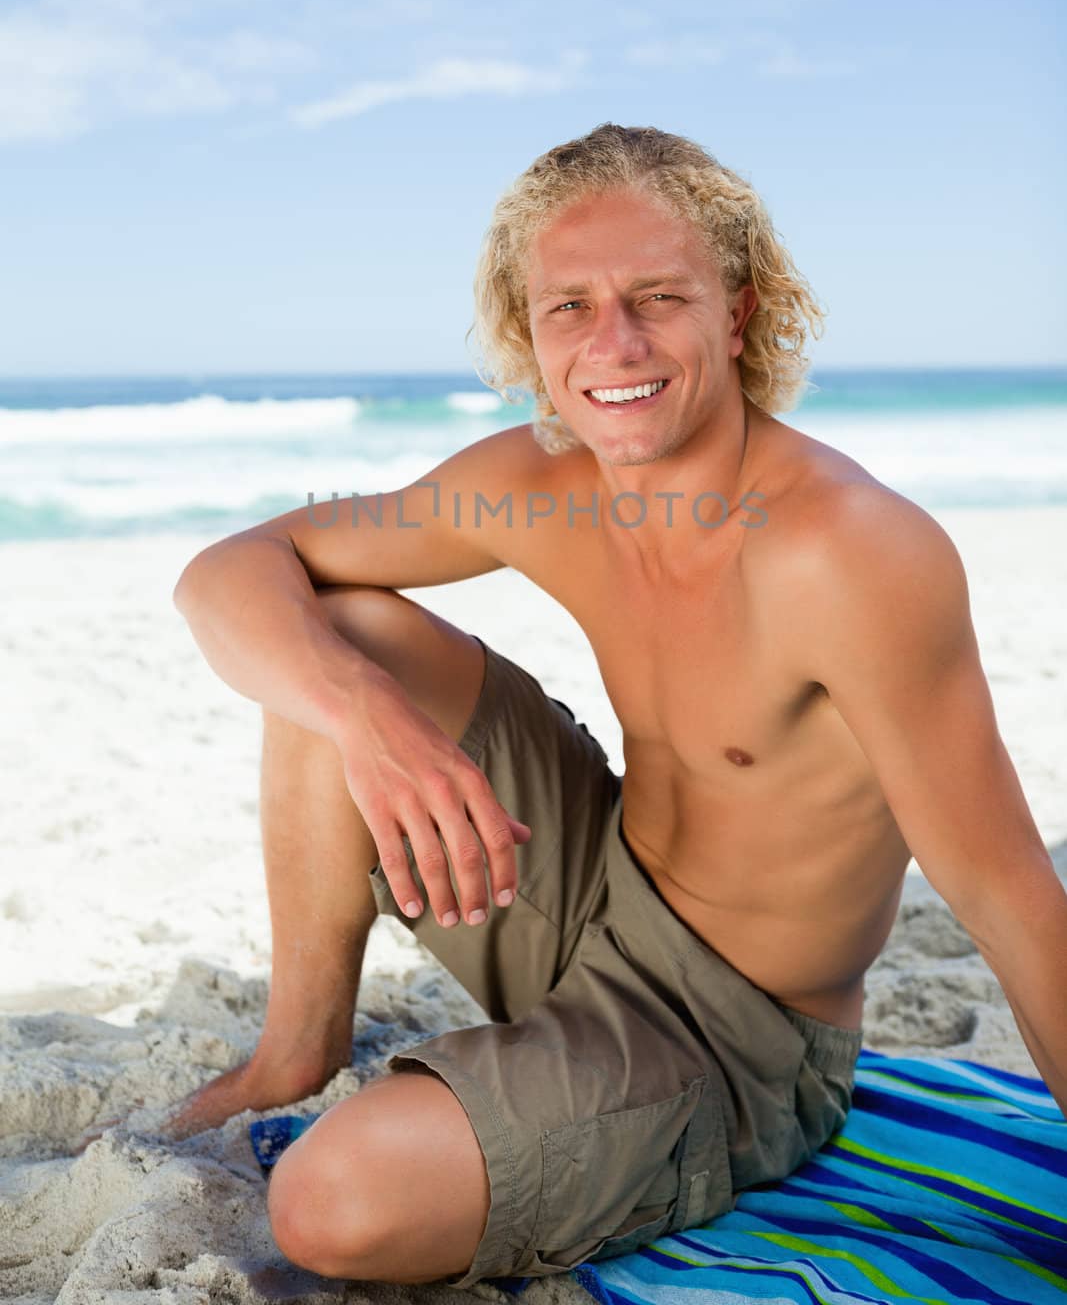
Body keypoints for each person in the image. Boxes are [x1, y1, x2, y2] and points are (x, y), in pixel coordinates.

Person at [159, 124, 1067, 1286]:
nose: (613, 343)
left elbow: (1005, 895)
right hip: (583, 879)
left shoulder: (848, 554)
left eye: (657, 296)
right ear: (528, 337)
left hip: (735, 1034)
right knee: (339, 628)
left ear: (737, 312)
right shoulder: (541, 485)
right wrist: (364, 720)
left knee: (329, 1203)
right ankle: (297, 1050)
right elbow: (233, 568)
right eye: (569, 307)